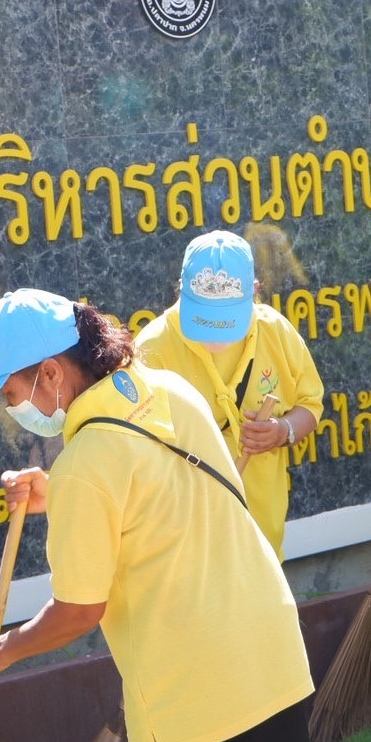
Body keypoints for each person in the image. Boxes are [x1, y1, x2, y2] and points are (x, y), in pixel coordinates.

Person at [0, 288, 342, 742]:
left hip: (183, 681)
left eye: (11, 392)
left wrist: (4, 650)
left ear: (50, 373)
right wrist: (59, 494)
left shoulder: (85, 466)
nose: (13, 409)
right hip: (265, 643)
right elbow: (161, 492)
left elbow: (80, 609)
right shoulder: (169, 391)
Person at [135, 228, 324, 560]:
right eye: (204, 318)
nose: (215, 334)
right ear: (181, 291)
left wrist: (283, 431)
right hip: (185, 541)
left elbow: (310, 405)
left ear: (254, 292)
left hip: (260, 532)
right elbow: (133, 448)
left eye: (227, 319)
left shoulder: (275, 331)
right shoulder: (152, 348)